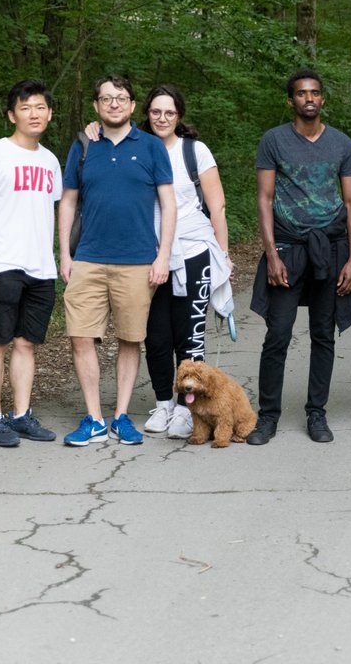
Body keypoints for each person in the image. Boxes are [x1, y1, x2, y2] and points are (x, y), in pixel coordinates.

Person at [85, 85, 234, 441]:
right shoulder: (137, 149)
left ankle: (188, 409)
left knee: (189, 333)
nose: (162, 118)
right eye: (156, 112)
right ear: (145, 114)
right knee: (154, 334)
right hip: (147, 252)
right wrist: (94, 129)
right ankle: (164, 403)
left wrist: (224, 255)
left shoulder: (193, 151)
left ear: (179, 115)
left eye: (169, 112)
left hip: (194, 250)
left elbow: (217, 207)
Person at [57, 75, 176, 447]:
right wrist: (64, 252)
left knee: (130, 338)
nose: (113, 104)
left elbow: (169, 205)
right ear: (96, 105)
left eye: (121, 98)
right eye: (106, 98)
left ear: (131, 105)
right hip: (88, 259)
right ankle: (93, 418)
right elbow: (69, 202)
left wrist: (163, 256)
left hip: (139, 261)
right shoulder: (84, 146)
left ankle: (121, 416)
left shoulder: (153, 147)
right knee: (80, 337)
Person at [249, 69, 351, 445]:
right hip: (287, 248)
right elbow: (264, 199)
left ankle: (317, 414)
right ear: (291, 100)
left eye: (315, 93)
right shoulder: (274, 141)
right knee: (277, 334)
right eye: (301, 93)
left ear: (323, 99)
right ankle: (267, 417)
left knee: (323, 335)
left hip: (330, 250)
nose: (309, 98)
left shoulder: (342, 144)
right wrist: (271, 254)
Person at [0, 79, 62, 447]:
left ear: (49, 113)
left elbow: (50, 211)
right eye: (25, 108)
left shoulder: (51, 160)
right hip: (2, 262)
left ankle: (21, 415)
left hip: (41, 267)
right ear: (11, 115)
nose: (33, 114)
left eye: (40, 107)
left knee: (26, 344)